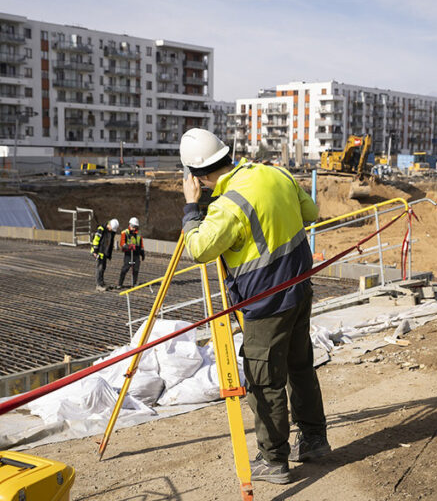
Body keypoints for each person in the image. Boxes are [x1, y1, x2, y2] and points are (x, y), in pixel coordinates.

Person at [179, 128, 329, 485]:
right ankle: (313, 439)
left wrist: (191, 208)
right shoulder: (277, 173)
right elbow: (310, 212)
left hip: (265, 303)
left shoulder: (227, 206)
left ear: (196, 176)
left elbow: (199, 249)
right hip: (299, 288)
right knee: (300, 365)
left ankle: (274, 459)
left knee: (265, 380)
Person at [91, 219, 119, 291]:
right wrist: (95, 251)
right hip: (98, 252)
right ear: (109, 225)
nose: (111, 230)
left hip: (104, 253)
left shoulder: (110, 232)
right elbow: (96, 240)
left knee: (103, 267)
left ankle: (101, 282)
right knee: (99, 268)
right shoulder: (101, 229)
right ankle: (99, 285)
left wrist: (109, 254)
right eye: (111, 228)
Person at [117, 217, 145, 288]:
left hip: (136, 255)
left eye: (135, 227)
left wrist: (142, 253)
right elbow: (122, 243)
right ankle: (120, 284)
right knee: (125, 269)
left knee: (135, 269)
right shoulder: (125, 232)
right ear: (130, 225)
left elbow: (141, 244)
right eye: (133, 226)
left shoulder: (138, 233)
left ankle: (134, 283)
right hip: (129, 255)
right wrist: (129, 247)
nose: (134, 228)